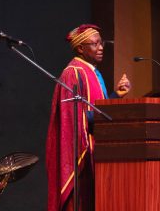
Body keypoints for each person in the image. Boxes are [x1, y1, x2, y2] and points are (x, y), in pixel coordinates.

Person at [46, 24, 131, 211]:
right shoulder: (73, 73)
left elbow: (96, 109)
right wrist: (101, 116)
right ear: (80, 48)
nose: (100, 48)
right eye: (95, 44)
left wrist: (116, 96)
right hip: (82, 154)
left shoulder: (92, 71)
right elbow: (73, 118)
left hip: (96, 148)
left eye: (101, 43)